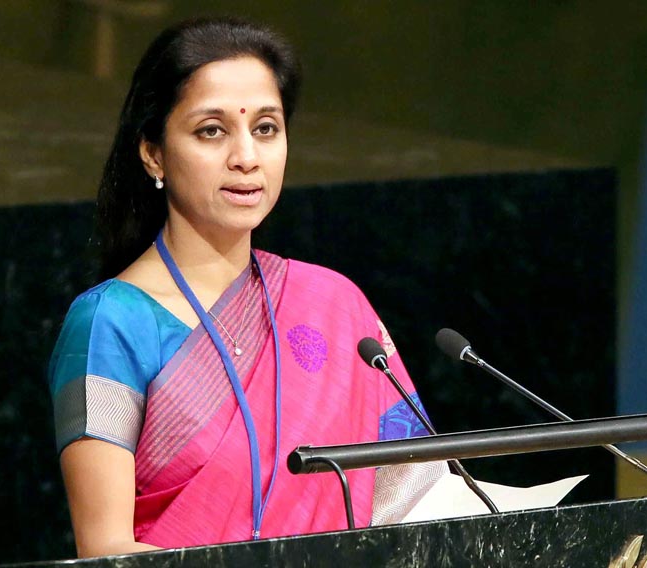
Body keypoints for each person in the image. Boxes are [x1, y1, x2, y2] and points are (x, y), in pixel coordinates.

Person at [47, 17, 443, 557]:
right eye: (212, 130)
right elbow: (106, 550)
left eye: (265, 128)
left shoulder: (333, 303)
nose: (246, 158)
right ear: (153, 153)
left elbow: (420, 504)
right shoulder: (110, 324)